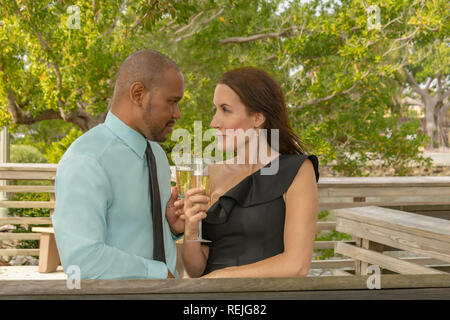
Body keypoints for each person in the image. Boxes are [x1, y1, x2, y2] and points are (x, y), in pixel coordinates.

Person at [52, 50, 185, 279]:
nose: (178, 113)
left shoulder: (157, 155)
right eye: (172, 102)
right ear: (138, 93)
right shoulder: (87, 160)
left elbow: (136, 235)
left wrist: (170, 229)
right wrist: (159, 274)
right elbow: (82, 261)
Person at [180, 67, 320, 278]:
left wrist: (223, 276)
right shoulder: (211, 174)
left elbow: (297, 265)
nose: (214, 122)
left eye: (225, 110)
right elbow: (195, 269)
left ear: (257, 118)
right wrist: (190, 230)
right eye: (215, 109)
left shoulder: (298, 171)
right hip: (210, 299)